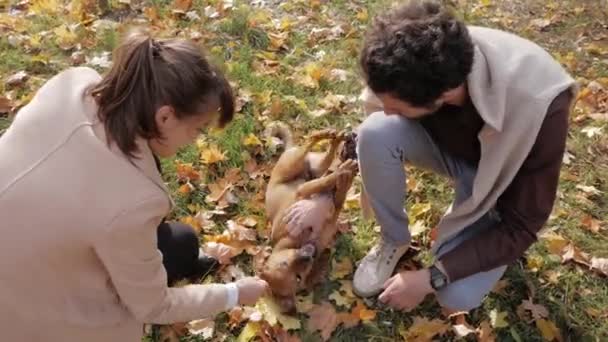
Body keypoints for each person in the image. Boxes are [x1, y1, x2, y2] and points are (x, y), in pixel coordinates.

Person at [284, 0, 577, 313]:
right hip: (452, 148)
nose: (386, 111)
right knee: (374, 133)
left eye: (396, 108)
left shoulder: (540, 110)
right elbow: (366, 128)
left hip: (501, 181)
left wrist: (432, 277)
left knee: (456, 296)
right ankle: (394, 240)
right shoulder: (416, 57)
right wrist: (325, 198)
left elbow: (521, 226)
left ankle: (474, 217)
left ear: (445, 94)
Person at [0, 30, 268, 341]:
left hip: (26, 239)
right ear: (165, 117)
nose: (197, 140)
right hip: (25, 315)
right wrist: (234, 293)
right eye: (198, 129)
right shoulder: (132, 202)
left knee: (181, 242)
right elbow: (153, 307)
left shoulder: (75, 85)